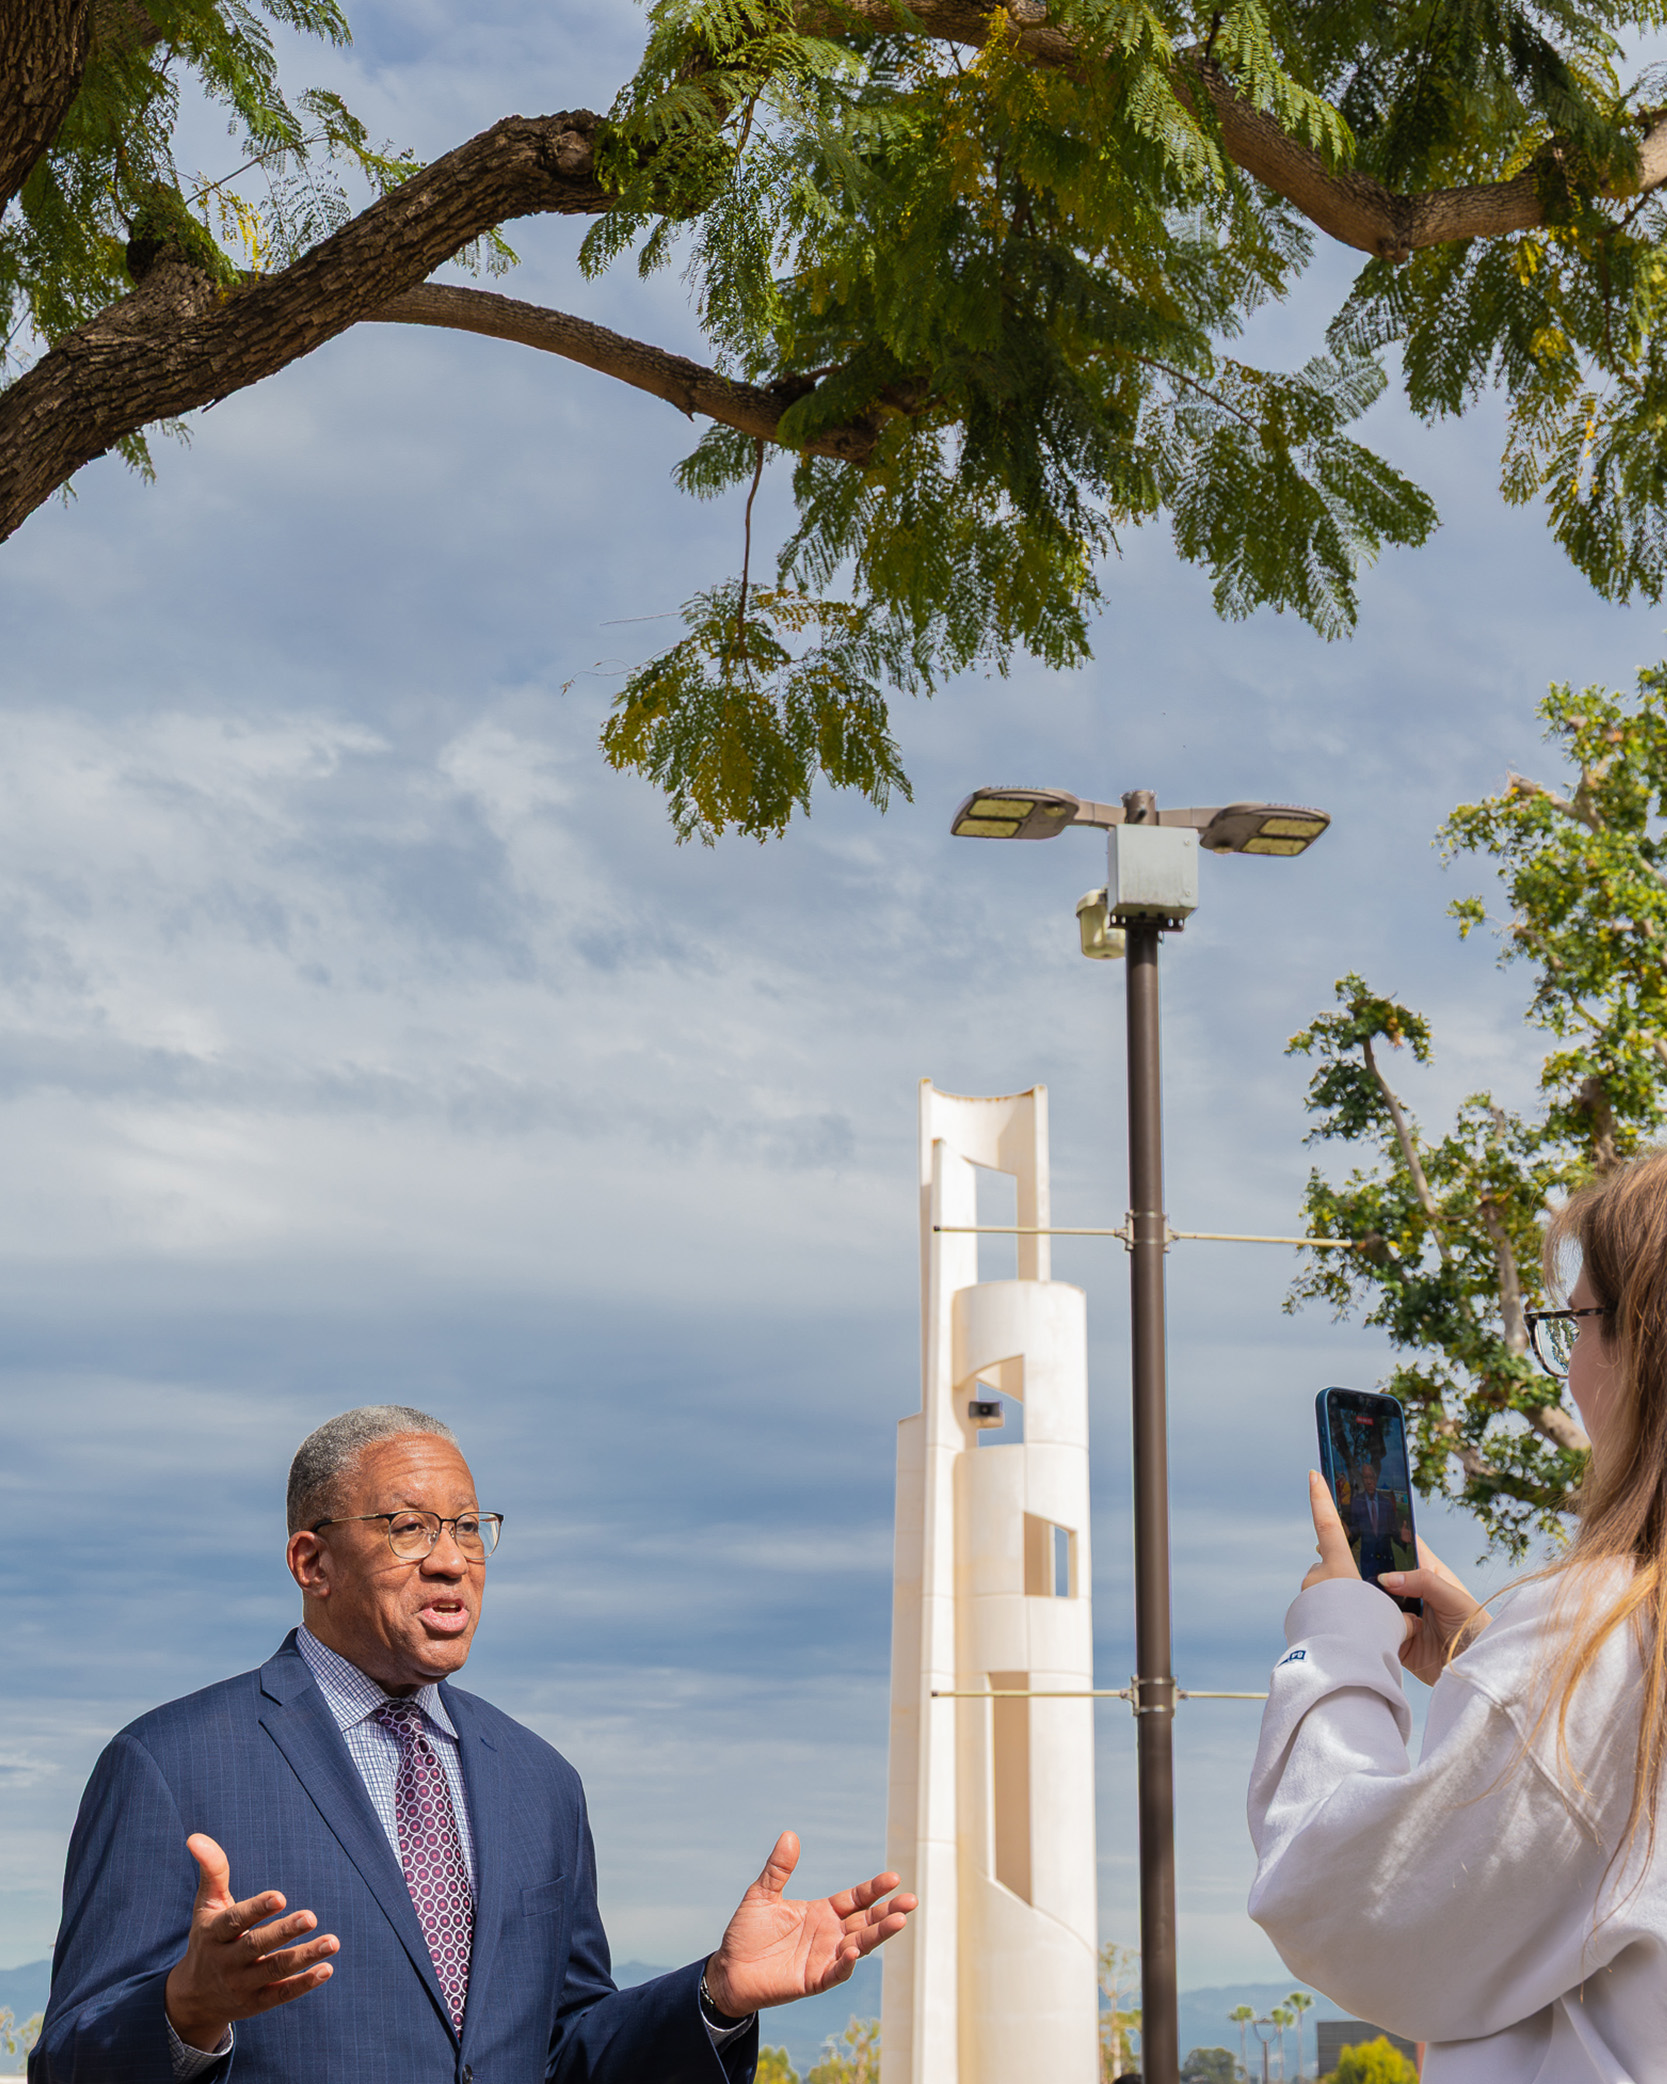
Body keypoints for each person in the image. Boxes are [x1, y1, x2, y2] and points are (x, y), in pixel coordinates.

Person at [31, 1406, 917, 2084]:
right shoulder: (169, 1763)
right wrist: (186, 2010)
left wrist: (715, 1996)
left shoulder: (538, 1782)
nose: (452, 1560)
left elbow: (568, 2048)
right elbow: (67, 2060)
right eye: (408, 1528)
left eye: (468, 1527)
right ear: (312, 1562)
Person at [1247, 1147, 1667, 2083]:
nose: (1570, 1372)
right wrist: (1490, 1660)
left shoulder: (1598, 1636)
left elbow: (1349, 1903)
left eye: (1577, 1323)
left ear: (1639, 1344)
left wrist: (1337, 1638)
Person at [1345, 1461, 1395, 1581]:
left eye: (1371, 1477)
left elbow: (1394, 1532)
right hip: (1368, 1562)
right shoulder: (1356, 1502)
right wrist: (1349, 1534)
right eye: (1365, 1477)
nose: (1369, 1481)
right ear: (1362, 1479)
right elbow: (1355, 1529)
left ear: (1376, 1478)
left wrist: (1403, 1539)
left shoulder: (1386, 1503)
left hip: (1386, 1562)